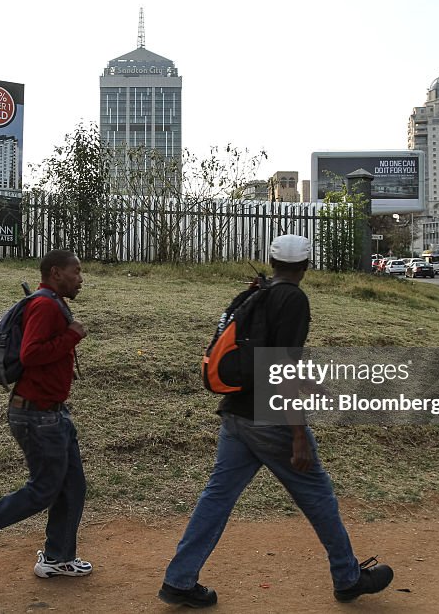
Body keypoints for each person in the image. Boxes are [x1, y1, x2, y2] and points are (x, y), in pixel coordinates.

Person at [157, 235, 393, 608]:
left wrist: (310, 384)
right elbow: (279, 366)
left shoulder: (259, 292)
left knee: (216, 498)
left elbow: (264, 358)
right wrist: (298, 434)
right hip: (271, 420)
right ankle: (348, 578)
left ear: (271, 260)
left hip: (237, 415)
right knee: (318, 496)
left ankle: (179, 580)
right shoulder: (294, 299)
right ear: (306, 265)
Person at [0, 250, 91, 579]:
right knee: (43, 490)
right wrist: (72, 336)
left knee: (73, 487)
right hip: (37, 415)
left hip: (53, 412)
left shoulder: (52, 301)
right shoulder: (43, 305)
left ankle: (58, 557)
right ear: (56, 273)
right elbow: (31, 353)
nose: (81, 279)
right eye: (76, 271)